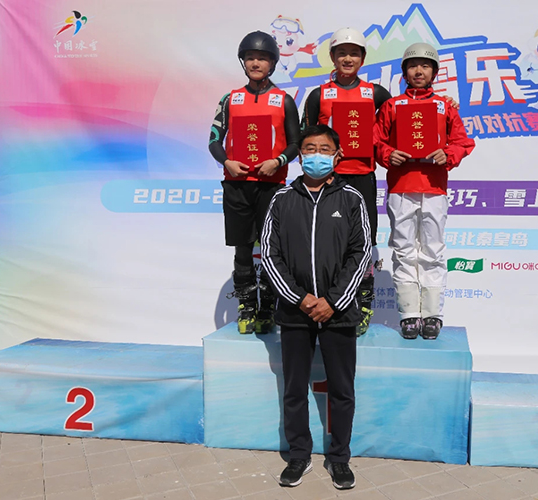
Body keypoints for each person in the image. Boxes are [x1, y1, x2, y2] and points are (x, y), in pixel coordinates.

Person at [261, 125, 371, 489]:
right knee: (294, 388)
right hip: (296, 312)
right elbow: (270, 254)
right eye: (310, 148)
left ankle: (339, 458)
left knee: (342, 389)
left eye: (325, 149)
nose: (316, 155)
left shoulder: (351, 198)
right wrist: (300, 298)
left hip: (339, 312)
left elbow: (361, 253)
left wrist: (333, 301)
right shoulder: (281, 199)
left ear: (338, 155)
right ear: (300, 155)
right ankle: (299, 454)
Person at [373, 43, 475, 340]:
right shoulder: (392, 106)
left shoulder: (445, 106)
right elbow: (375, 141)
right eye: (413, 65)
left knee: (433, 250)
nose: (419, 71)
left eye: (425, 66)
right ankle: (408, 314)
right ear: (404, 72)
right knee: (404, 250)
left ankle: (432, 314)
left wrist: (448, 154)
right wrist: (388, 153)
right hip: (401, 188)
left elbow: (463, 142)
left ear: (435, 72)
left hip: (434, 188)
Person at [301, 27, 392, 336]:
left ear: (363, 58)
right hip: (328, 179)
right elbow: (306, 136)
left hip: (363, 176)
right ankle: (330, 302)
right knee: (328, 240)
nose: (348, 58)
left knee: (363, 241)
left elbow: (400, 121)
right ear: (332, 57)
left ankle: (363, 303)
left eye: (354, 53)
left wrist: (446, 104)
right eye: (342, 53)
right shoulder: (319, 95)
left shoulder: (376, 93)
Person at [208, 31, 300, 334]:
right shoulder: (230, 99)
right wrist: (227, 162)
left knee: (273, 249)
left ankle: (267, 308)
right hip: (237, 185)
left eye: (262, 58)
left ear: (272, 63)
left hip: (271, 186)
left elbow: (296, 143)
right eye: (250, 58)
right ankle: (246, 306)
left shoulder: (284, 100)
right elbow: (214, 141)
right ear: (243, 62)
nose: (256, 63)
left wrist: (278, 161)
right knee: (243, 249)